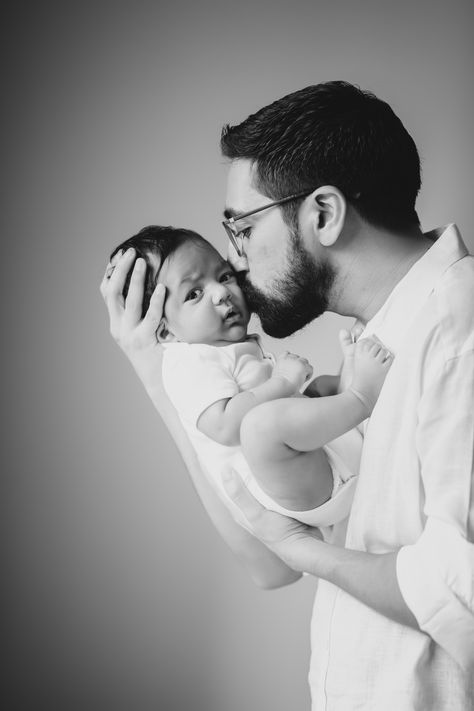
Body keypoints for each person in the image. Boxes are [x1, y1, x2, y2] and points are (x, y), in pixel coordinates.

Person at [101, 80, 474, 709]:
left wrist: (309, 554)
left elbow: (458, 592)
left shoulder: (457, 329)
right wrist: (160, 366)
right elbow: (269, 558)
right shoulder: (372, 339)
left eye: (241, 231)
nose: (235, 263)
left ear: (322, 215)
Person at [108, 224, 392, 532]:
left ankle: (350, 381)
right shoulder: (186, 363)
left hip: (321, 459)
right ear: (166, 331)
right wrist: (283, 381)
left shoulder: (226, 348)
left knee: (320, 388)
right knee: (262, 427)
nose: (221, 293)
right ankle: (362, 396)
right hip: (296, 490)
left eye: (224, 276)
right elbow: (226, 426)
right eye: (194, 293)